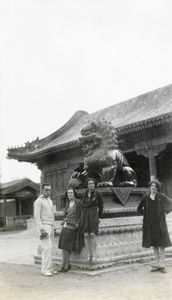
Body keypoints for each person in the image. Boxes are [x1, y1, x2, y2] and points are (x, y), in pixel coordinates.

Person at [137, 179, 172, 273]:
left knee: (162, 245)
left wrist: (165, 211)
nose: (153, 188)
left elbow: (170, 203)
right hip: (150, 225)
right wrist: (146, 214)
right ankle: (157, 264)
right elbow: (139, 208)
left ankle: (163, 265)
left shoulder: (161, 196)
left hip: (160, 224)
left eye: (155, 186)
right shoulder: (146, 198)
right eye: (152, 186)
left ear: (157, 188)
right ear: (150, 187)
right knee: (155, 245)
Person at [58, 187, 84, 272]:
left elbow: (81, 215)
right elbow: (66, 214)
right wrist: (63, 221)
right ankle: (65, 263)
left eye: (71, 193)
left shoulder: (78, 203)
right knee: (63, 244)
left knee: (65, 243)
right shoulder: (67, 203)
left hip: (73, 224)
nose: (70, 194)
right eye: (68, 193)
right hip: (66, 223)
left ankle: (66, 263)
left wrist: (78, 224)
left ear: (74, 194)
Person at [34, 183, 57, 276]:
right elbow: (36, 216)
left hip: (50, 226)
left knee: (50, 248)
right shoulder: (38, 201)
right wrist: (41, 229)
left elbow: (52, 215)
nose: (48, 192)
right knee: (47, 248)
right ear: (42, 190)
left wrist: (53, 226)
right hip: (44, 227)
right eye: (46, 190)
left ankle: (49, 268)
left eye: (49, 190)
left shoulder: (50, 201)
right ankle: (45, 270)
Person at [81, 178, 104, 263]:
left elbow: (101, 206)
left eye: (92, 184)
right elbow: (82, 204)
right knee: (86, 235)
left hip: (94, 214)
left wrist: (100, 217)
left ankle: (93, 255)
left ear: (94, 185)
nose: (91, 185)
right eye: (89, 184)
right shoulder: (84, 194)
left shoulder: (98, 194)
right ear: (87, 185)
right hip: (86, 215)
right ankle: (88, 255)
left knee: (93, 234)